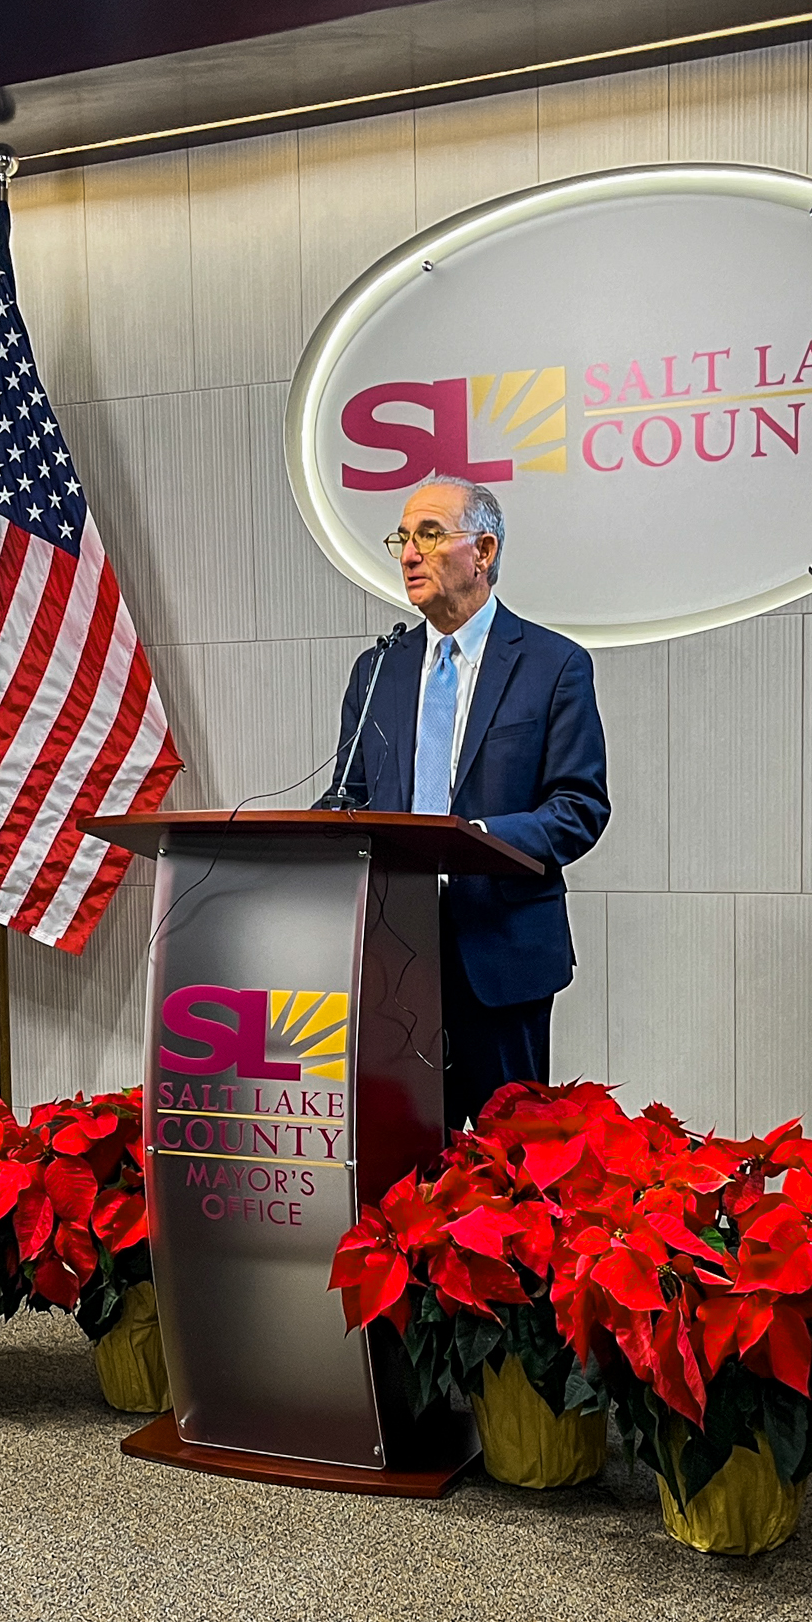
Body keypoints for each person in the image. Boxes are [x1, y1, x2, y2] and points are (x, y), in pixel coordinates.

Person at [319, 474, 610, 1130]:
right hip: (391, 956)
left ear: (482, 550)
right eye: (402, 537)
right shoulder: (378, 669)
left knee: (512, 1165)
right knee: (405, 1159)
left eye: (428, 534)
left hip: (500, 951)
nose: (408, 554)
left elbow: (579, 806)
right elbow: (349, 798)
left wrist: (476, 836)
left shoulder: (552, 664)